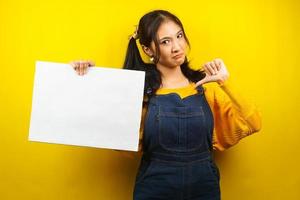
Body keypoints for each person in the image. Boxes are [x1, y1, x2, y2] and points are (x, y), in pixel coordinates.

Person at [70, 9, 261, 200]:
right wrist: (87, 80)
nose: (177, 47)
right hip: (154, 190)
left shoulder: (206, 86)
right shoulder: (139, 92)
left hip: (204, 190)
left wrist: (225, 82)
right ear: (148, 50)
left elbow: (253, 123)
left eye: (179, 36)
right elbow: (116, 139)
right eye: (165, 41)